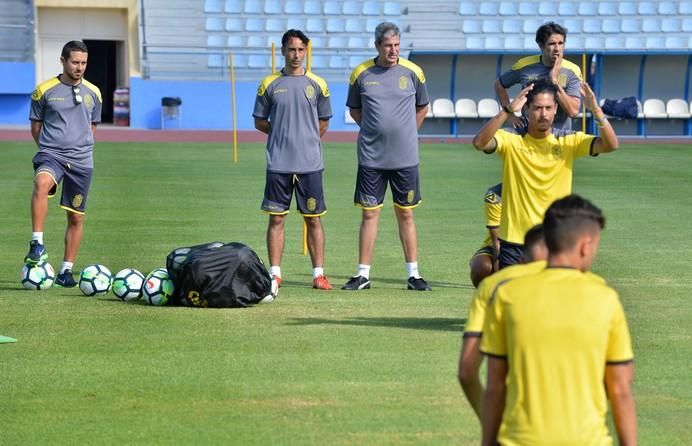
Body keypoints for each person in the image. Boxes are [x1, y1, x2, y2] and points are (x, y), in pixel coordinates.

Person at [481, 194, 636, 446]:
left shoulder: (508, 295)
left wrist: (487, 442)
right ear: (586, 245)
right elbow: (620, 390)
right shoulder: (605, 298)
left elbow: (495, 386)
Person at [472, 78, 618, 269]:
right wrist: (507, 110)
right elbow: (480, 143)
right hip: (514, 241)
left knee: (552, 297)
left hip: (553, 238)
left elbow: (610, 145)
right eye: (538, 108)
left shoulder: (567, 141)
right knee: (512, 297)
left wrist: (596, 110)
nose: (543, 114)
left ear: (556, 109)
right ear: (527, 109)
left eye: (548, 108)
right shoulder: (512, 139)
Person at [341, 22, 431, 292]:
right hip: (372, 158)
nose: (393, 51)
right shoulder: (362, 73)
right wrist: (374, 131)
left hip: (405, 158)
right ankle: (363, 275)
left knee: (406, 214)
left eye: (397, 45)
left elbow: (423, 107)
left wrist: (406, 132)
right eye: (388, 46)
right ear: (377, 46)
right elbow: (355, 111)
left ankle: (413, 275)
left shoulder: (414, 72)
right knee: (370, 215)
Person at [253, 29, 333, 290]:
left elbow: (322, 122)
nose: (296, 55)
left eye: (300, 50)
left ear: (306, 51)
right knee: (276, 219)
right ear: (283, 50)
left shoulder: (318, 84)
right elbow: (260, 121)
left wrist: (306, 139)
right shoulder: (269, 84)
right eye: (291, 49)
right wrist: (281, 135)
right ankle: (275, 274)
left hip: (310, 164)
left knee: (313, 219)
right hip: (279, 163)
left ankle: (318, 274)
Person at [25, 40, 102, 287]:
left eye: (84, 63)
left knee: (76, 217)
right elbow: (36, 127)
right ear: (63, 61)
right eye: (75, 62)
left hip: (81, 161)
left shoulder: (94, 92)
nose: (80, 67)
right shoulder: (43, 90)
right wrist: (49, 148)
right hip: (52, 154)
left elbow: (92, 127)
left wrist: (79, 147)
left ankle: (66, 271)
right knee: (41, 183)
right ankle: (37, 243)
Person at [459, 224, 548, 422]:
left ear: (522, 262)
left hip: (516, 432)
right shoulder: (603, 297)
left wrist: (492, 430)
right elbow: (619, 388)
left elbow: (468, 373)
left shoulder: (492, 289)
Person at [494, 22, 582, 131]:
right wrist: (510, 116)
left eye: (560, 43)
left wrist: (554, 81)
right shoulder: (524, 66)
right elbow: (499, 85)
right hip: (529, 135)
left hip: (560, 138)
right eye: (552, 43)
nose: (557, 48)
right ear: (541, 45)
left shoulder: (572, 70)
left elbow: (573, 111)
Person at [468, 183, 502, 288]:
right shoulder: (494, 196)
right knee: (482, 267)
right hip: (501, 245)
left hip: (530, 245)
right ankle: (484, 294)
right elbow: (496, 243)